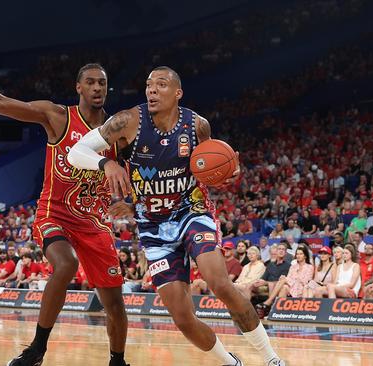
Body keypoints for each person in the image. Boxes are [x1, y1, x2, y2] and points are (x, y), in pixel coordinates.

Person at [68, 66, 285, 365]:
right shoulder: (128, 121)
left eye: (161, 84)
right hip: (153, 226)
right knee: (183, 318)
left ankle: (272, 359)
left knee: (220, 283)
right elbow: (75, 152)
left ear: (178, 93)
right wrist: (106, 165)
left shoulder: (198, 125)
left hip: (192, 212)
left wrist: (226, 173)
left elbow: (212, 167)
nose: (152, 90)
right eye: (148, 85)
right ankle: (231, 363)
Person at [0, 37, 129, 366]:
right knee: (66, 264)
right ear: (79, 88)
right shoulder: (57, 116)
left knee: (114, 302)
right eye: (91, 82)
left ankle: (117, 361)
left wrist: (133, 200)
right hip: (54, 214)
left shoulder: (119, 130)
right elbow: (0, 103)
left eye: (103, 83)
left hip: (94, 222)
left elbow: (137, 172)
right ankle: (36, 350)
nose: (97, 87)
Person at [256, 245, 313, 313]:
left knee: (283, 281)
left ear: (305, 256)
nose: (298, 256)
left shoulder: (309, 267)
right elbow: (289, 277)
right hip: (292, 288)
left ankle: (269, 302)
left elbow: (306, 281)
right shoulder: (293, 267)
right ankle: (278, 312)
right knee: (284, 287)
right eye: (297, 254)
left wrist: (289, 279)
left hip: (302, 288)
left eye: (301, 254)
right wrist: (286, 279)